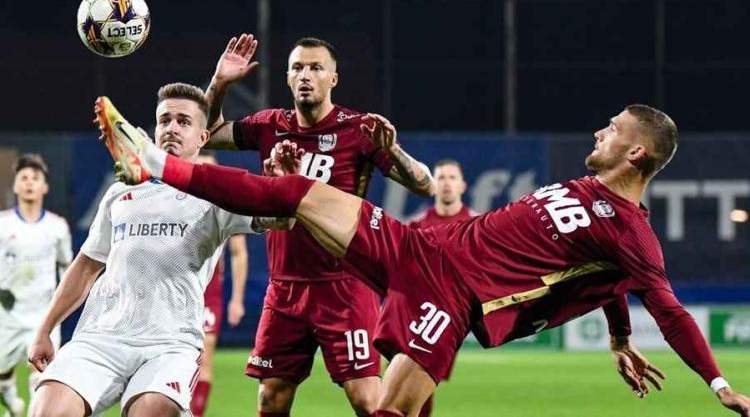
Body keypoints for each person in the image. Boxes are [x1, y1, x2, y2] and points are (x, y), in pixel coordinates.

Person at [96, 99, 750, 417]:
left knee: (390, 412)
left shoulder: (632, 234)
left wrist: (718, 384)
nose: (600, 131)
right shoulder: (591, 194)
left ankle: (158, 164)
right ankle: (155, 164)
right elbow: (604, 280)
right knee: (300, 193)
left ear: (637, 154)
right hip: (419, 248)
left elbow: (665, 307)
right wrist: (617, 337)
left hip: (453, 295)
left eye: (613, 130)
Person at [201, 34, 436, 417]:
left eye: (315, 68)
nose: (305, 75)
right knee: (270, 398)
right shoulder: (270, 125)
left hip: (344, 285)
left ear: (333, 79)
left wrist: (392, 150)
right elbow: (208, 135)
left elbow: (425, 185)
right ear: (288, 78)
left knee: (367, 399)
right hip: (286, 288)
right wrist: (220, 83)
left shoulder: (358, 129)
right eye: (297, 68)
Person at [28, 83, 282, 417]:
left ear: (203, 137)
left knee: (153, 410)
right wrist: (45, 328)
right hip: (101, 337)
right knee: (47, 411)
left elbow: (280, 218)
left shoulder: (217, 192)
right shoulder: (120, 192)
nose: (172, 128)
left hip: (169, 345)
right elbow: (86, 266)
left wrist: (282, 186)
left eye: (183, 122)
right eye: (165, 120)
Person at [0, 154, 72, 417]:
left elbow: (67, 267)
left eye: (35, 178)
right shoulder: (2, 225)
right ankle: (8, 395)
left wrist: (62, 305)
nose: (29, 183)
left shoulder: (57, 227)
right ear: (15, 186)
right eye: (24, 178)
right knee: (2, 374)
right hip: (6, 315)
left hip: (43, 316)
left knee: (41, 376)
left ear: (45, 187)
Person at [406, 158, 478, 416]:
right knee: (417, 377)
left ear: (463, 186)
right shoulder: (416, 226)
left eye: (452, 177)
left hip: (455, 314)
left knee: (420, 378)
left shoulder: (477, 224)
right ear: (433, 184)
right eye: (441, 177)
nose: (446, 183)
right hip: (419, 313)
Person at [190, 151, 249, 417]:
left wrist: (236, 299)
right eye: (201, 171)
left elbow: (238, 252)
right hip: (175, 287)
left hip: (209, 288)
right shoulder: (173, 201)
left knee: (204, 358)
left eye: (212, 171)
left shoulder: (225, 205)